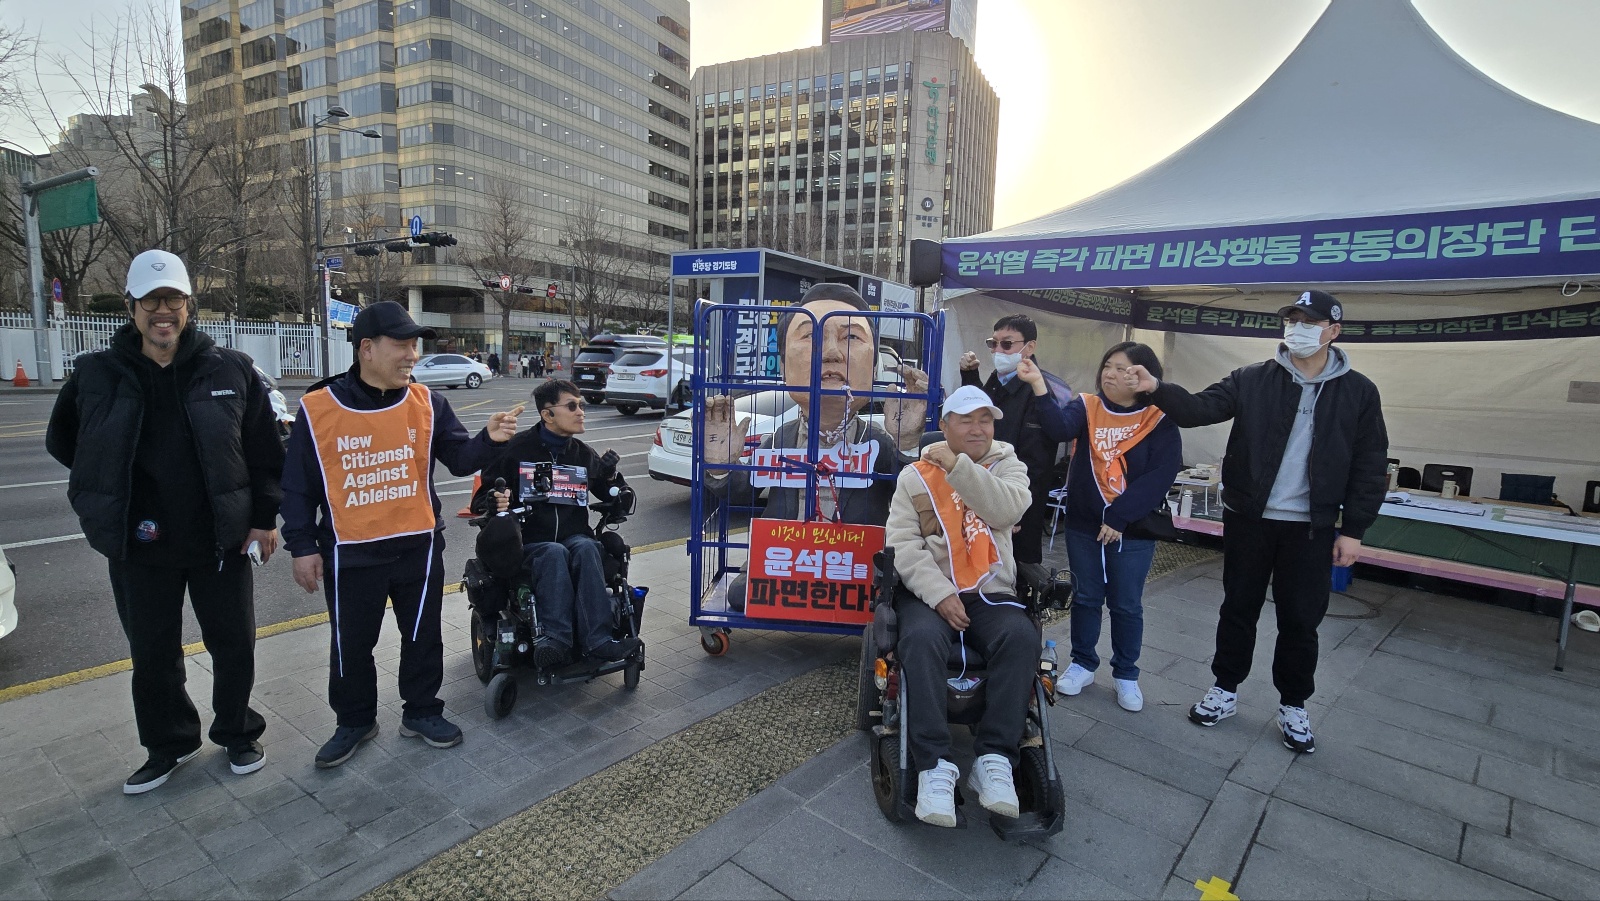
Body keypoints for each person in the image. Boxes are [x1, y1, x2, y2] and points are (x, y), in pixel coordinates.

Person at [46, 250, 285, 794]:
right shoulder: (96, 375)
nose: (163, 311)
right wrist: (106, 491)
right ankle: (169, 744)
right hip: (138, 542)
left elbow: (265, 451)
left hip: (219, 538)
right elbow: (65, 442)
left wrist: (263, 519)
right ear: (130, 306)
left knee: (233, 643)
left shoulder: (230, 369)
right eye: (151, 300)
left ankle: (237, 731)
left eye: (173, 299)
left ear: (188, 306)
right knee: (152, 653)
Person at [1125, 290, 1388, 753]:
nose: (1296, 329)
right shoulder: (1252, 379)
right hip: (1251, 518)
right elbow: (1200, 409)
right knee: (1238, 608)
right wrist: (1156, 388)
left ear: (1333, 331)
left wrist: (1354, 530)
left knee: (1301, 619)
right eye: (1291, 320)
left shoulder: (1359, 391)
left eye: (1308, 322)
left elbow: (1370, 462)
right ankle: (1225, 688)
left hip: (1311, 527)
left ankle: (1294, 704)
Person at [281, 301, 521, 768]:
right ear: (367, 349)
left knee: (422, 637)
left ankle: (422, 711)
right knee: (351, 646)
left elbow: (460, 459)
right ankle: (354, 721)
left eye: (415, 345)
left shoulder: (428, 403)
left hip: (418, 548)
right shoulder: (318, 407)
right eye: (403, 345)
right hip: (350, 552)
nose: (413, 355)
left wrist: (489, 439)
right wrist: (302, 546)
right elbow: (296, 487)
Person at [703, 283, 930, 608]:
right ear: (783, 366)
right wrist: (720, 465)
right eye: (811, 336)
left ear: (872, 367)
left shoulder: (877, 443)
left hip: (853, 566)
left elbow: (911, 499)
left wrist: (906, 445)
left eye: (851, 337)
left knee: (878, 596)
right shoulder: (779, 440)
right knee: (741, 594)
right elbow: (744, 493)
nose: (831, 353)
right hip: (786, 562)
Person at [885, 385, 1035, 827]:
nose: (977, 428)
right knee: (920, 639)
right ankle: (934, 763)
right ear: (945, 425)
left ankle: (994, 758)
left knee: (1021, 637)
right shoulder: (914, 476)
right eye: (966, 420)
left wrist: (957, 468)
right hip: (931, 591)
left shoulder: (1009, 466)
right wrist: (940, 594)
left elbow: (1006, 511)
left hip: (991, 589)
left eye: (985, 420)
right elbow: (903, 545)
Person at [1048, 343, 1182, 713]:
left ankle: (1126, 673)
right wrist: (1040, 388)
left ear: (1143, 375)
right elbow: (1056, 427)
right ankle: (1082, 663)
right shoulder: (1087, 406)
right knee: (1086, 597)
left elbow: (1161, 474)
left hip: (1132, 528)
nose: (1111, 373)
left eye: (1122, 368)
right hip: (1084, 524)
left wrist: (1119, 516)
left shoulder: (1160, 418)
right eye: (1108, 365)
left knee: (1126, 604)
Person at [471, 379, 641, 666]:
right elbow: (481, 499)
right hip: (529, 542)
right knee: (554, 552)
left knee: (587, 548)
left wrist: (610, 476)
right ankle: (555, 641)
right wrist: (494, 500)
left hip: (575, 537)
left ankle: (598, 641)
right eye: (572, 406)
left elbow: (613, 496)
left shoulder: (582, 453)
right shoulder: (515, 450)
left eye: (581, 405)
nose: (581, 412)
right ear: (547, 414)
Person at [958, 314, 1074, 577]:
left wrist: (1016, 509)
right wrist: (970, 376)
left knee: (1012, 573)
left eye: (1007, 344)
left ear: (1029, 347)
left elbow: (1036, 462)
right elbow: (981, 415)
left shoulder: (1039, 390)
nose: (998, 351)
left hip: (1016, 502)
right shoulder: (999, 379)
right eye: (993, 343)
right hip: (985, 491)